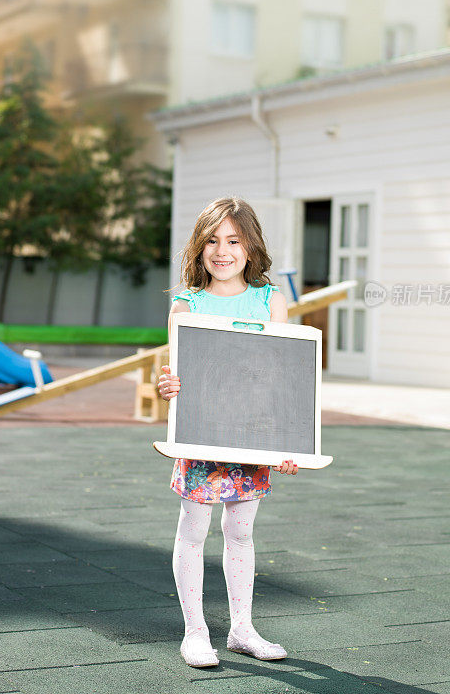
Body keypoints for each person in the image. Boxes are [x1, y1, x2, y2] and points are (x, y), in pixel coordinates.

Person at [158, 196, 298, 669]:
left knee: (241, 532)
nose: (222, 250)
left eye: (234, 240)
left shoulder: (269, 300)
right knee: (193, 530)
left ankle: (242, 629)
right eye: (212, 240)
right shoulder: (187, 302)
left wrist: (288, 442)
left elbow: (282, 377)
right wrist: (167, 383)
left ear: (251, 246)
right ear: (199, 249)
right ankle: (195, 632)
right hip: (200, 436)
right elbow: (176, 372)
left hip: (251, 438)